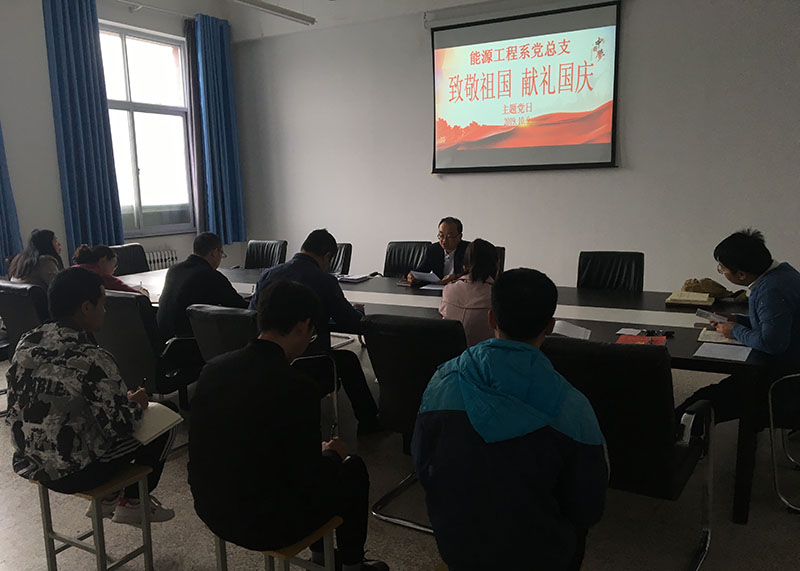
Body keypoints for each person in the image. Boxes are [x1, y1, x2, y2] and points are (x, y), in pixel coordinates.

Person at [412, 268, 607, 571]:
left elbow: (422, 463)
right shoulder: (573, 406)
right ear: (550, 326)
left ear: (491, 318)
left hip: (457, 549)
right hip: (541, 557)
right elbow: (588, 507)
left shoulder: (444, 379)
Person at [189, 280, 389, 571]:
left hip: (211, 508)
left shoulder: (213, 369)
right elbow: (307, 477)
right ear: (302, 326)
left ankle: (323, 557)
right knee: (352, 468)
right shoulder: (297, 387)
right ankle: (352, 564)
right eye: (312, 333)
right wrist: (332, 454)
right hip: (267, 526)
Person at [5, 267, 175, 524]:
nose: (104, 311)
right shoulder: (92, 358)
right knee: (167, 420)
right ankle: (133, 502)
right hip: (74, 472)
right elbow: (121, 426)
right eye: (102, 304)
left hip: (29, 462)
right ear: (86, 307)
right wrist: (135, 404)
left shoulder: (26, 342)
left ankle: (109, 497)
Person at [249, 229, 381, 434]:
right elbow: (351, 323)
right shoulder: (324, 280)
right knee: (348, 360)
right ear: (327, 256)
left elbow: (251, 316)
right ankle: (369, 423)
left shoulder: (268, 274)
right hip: (309, 365)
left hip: (267, 364)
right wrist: (357, 310)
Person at [676, 229, 800, 425]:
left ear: (741, 274)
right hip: (786, 365)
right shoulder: (782, 274)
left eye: (722, 268)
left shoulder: (771, 291)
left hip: (784, 381)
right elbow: (775, 322)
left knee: (699, 404)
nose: (721, 271)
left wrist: (733, 330)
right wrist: (737, 319)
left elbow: (772, 343)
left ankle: (671, 439)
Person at [157, 232, 248, 340]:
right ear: (214, 252)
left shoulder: (174, 270)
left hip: (163, 339)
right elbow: (241, 308)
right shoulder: (211, 276)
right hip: (190, 342)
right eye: (221, 253)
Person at [439, 238, 498, 346]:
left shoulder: (448, 289)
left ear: (464, 266)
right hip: (484, 353)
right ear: (496, 265)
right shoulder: (498, 296)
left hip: (450, 352)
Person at [407, 217, 469, 285]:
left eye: (449, 236)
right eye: (441, 235)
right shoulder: (433, 249)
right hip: (438, 288)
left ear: (460, 236)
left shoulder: (469, 250)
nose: (444, 240)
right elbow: (422, 270)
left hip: (461, 288)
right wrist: (412, 275)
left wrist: (456, 277)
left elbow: (474, 273)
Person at [73, 243, 149, 296]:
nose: (114, 270)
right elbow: (137, 296)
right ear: (103, 260)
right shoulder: (102, 277)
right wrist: (143, 293)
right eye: (114, 265)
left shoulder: (73, 271)